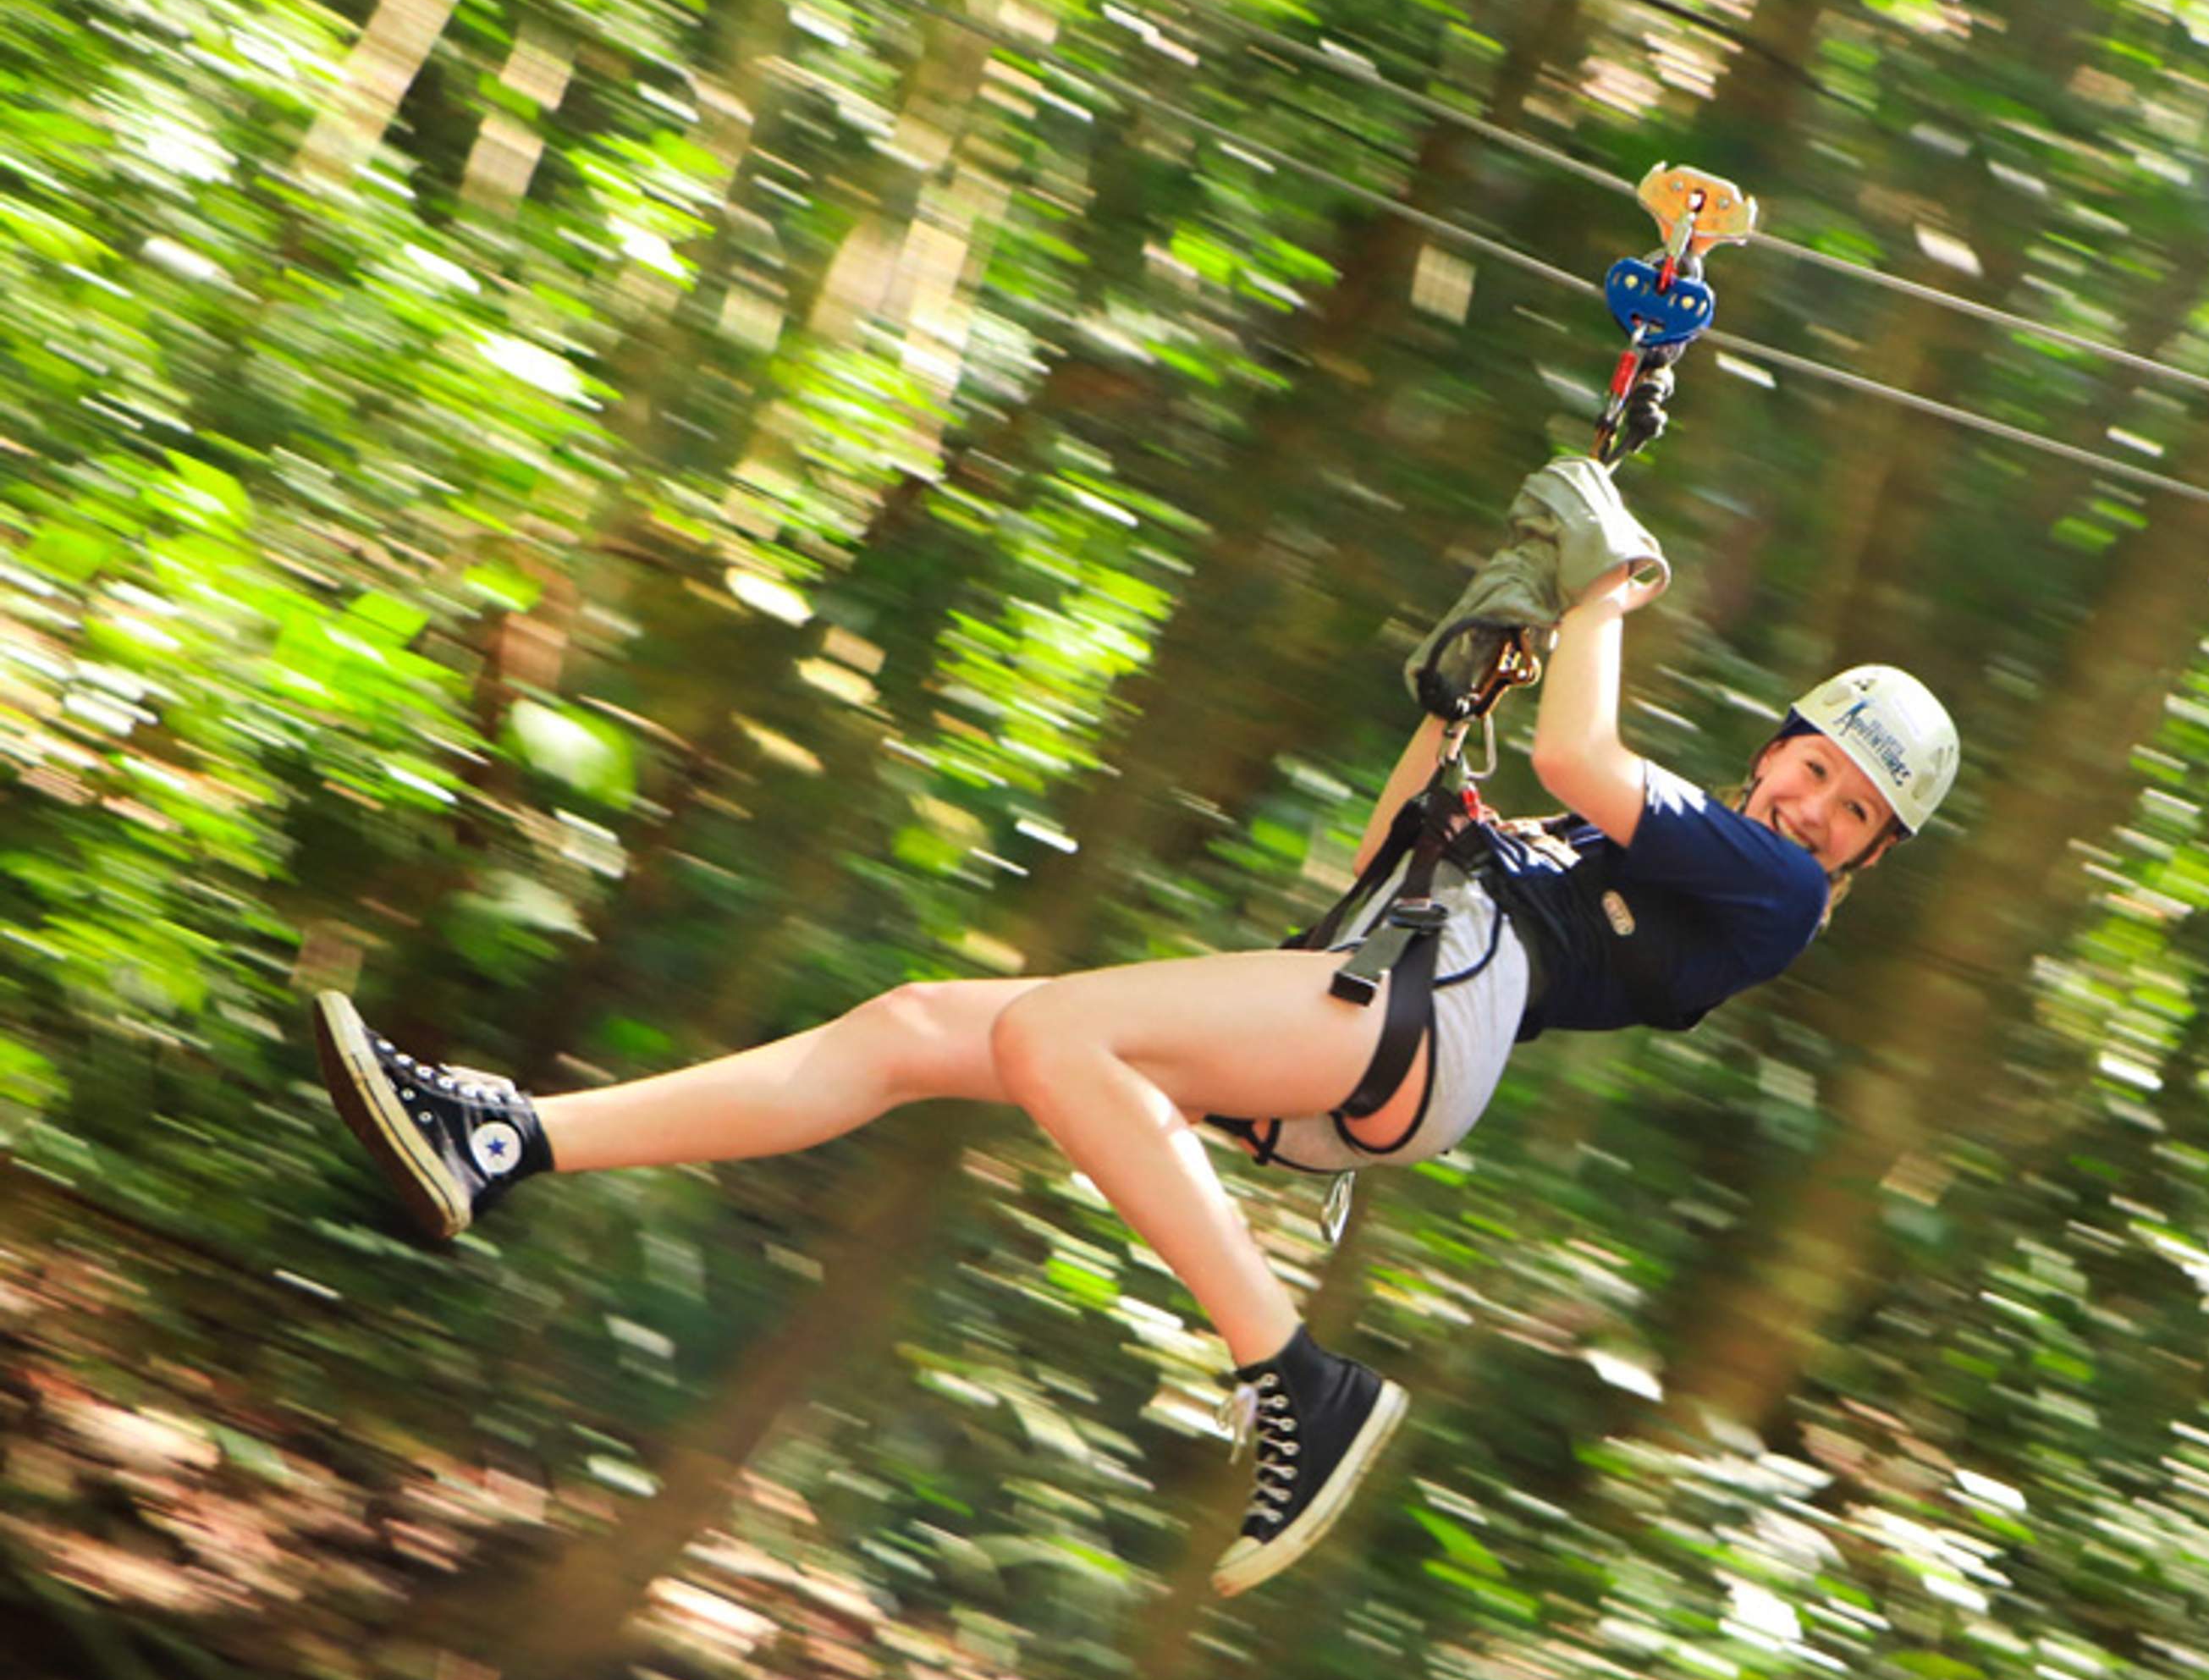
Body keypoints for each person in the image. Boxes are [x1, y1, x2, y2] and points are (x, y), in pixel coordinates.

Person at [310, 459, 1958, 1598]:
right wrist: (1465, 698)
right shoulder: (1681, 840)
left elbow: (1587, 758)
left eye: (1851, 806)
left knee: (1050, 1047)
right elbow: (1409, 842)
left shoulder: (1769, 890)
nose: (1815, 803)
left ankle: (1296, 1380)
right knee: (915, 1025)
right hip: (1402, 984)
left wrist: (1607, 581)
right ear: (1777, 751)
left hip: (1431, 1014)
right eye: (1812, 767)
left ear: (1867, 854)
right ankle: (506, 1136)